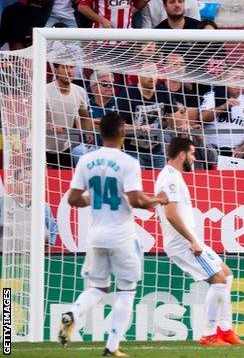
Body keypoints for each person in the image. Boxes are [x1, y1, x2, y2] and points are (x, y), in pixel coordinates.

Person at [60, 112, 168, 357]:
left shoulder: (86, 160)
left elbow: (74, 199)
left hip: (95, 236)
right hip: (121, 236)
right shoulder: (128, 162)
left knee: (98, 288)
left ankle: (73, 313)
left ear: (100, 133)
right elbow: (137, 201)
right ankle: (112, 347)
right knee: (126, 291)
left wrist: (95, 198)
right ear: (122, 133)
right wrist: (159, 199)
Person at [154, 137, 244, 346]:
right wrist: (192, 241)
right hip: (182, 242)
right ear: (182, 154)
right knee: (219, 281)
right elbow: (170, 214)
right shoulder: (170, 179)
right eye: (193, 154)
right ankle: (209, 334)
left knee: (227, 275)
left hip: (188, 240)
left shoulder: (173, 176)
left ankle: (225, 329)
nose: (194, 158)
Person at [117, 61, 180, 169]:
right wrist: (138, 128)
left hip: (156, 148)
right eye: (147, 72)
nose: (152, 77)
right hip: (132, 150)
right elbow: (118, 126)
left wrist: (182, 125)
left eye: (154, 73)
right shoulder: (127, 93)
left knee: (160, 181)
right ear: (138, 74)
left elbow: (175, 118)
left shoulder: (163, 90)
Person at [199, 66, 244, 167]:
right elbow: (202, 118)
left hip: (238, 150)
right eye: (235, 78)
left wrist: (243, 149)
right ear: (225, 80)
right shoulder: (211, 96)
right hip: (212, 149)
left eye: (241, 78)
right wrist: (224, 106)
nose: (239, 82)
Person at [46, 61, 91, 169]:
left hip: (64, 147)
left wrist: (87, 132)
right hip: (40, 147)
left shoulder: (80, 91)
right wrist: (49, 127)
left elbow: (84, 116)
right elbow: (32, 120)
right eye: (64, 67)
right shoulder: (43, 90)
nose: (69, 71)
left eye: (72, 67)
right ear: (56, 70)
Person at [71, 70, 118, 165]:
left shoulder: (120, 102)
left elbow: (122, 125)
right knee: (78, 150)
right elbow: (80, 125)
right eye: (105, 84)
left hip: (116, 148)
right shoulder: (85, 105)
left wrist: (94, 123)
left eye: (111, 84)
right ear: (93, 88)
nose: (109, 86)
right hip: (92, 147)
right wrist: (108, 124)